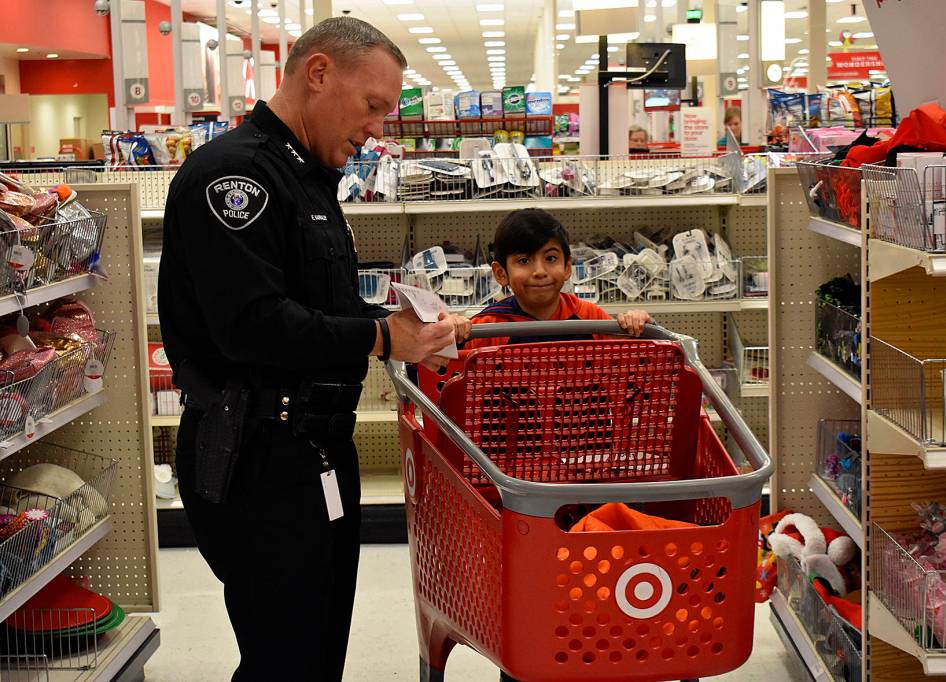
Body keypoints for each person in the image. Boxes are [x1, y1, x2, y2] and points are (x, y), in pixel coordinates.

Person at [158, 17, 464, 681]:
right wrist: (384, 337)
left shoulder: (307, 180)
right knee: (284, 661)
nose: (378, 128)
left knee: (316, 651)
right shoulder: (236, 178)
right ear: (318, 73)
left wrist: (408, 324)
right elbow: (253, 326)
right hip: (258, 456)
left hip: (316, 449)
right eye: (373, 106)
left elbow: (323, 311)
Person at [463, 209, 651, 350]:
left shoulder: (589, 318)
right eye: (524, 260)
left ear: (567, 267)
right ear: (501, 273)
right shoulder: (487, 328)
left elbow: (633, 361)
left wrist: (638, 326)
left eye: (550, 258)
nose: (539, 271)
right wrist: (450, 332)